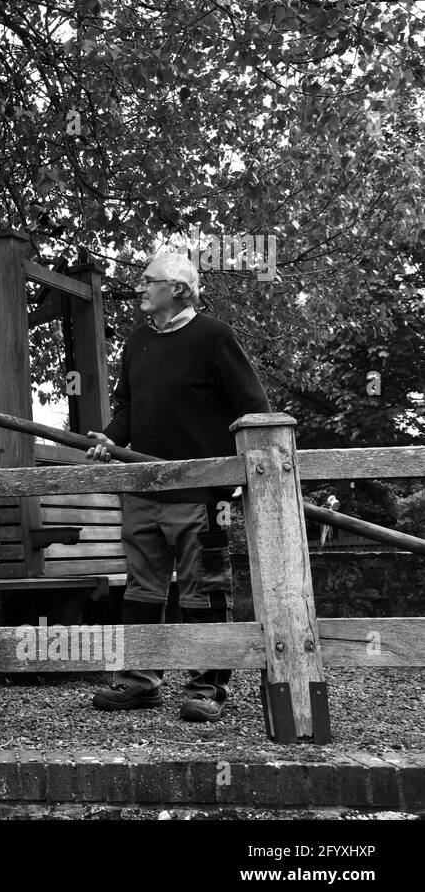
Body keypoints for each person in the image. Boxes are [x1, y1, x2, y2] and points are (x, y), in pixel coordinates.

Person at [85, 251, 270, 723]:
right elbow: (128, 407)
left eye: (149, 282)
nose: (140, 288)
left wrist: (230, 478)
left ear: (179, 290)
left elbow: (253, 411)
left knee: (202, 590)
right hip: (143, 489)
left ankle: (207, 687)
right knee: (142, 590)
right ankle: (138, 682)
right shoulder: (137, 342)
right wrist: (113, 437)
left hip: (200, 495)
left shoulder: (215, 338)